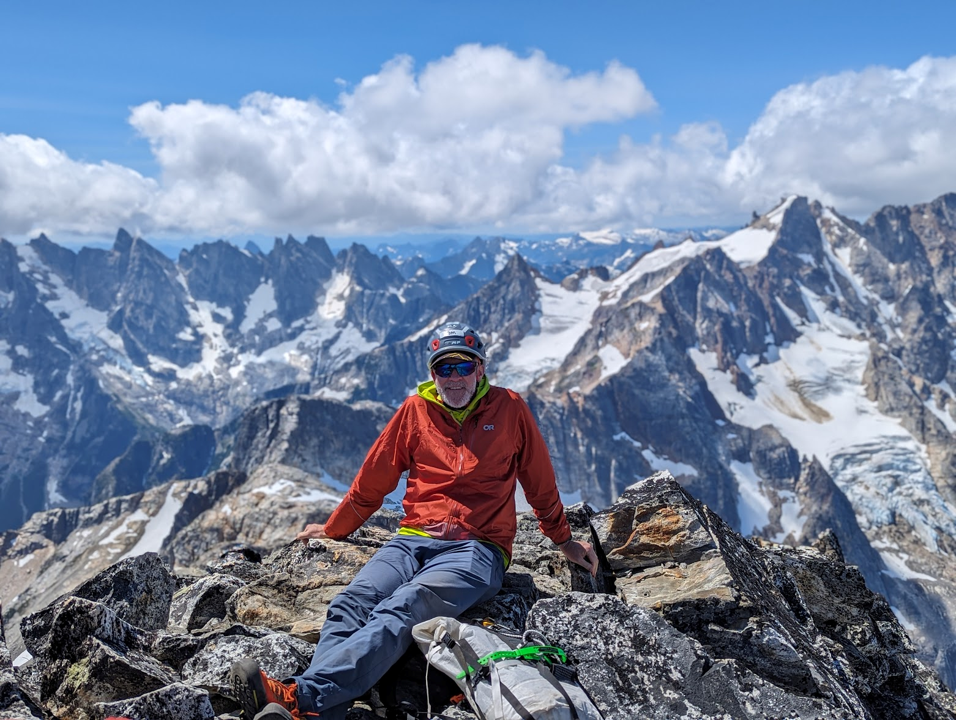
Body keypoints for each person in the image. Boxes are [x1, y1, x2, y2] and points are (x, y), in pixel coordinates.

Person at [230, 321, 598, 720]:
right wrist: (335, 529)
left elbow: (539, 481)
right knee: (349, 605)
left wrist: (564, 540)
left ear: (480, 368)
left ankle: (300, 698)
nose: (454, 377)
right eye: (444, 368)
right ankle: (320, 712)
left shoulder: (510, 409)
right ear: (432, 373)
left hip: (478, 548)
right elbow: (373, 480)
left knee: (404, 606)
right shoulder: (415, 411)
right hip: (411, 539)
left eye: (464, 366)